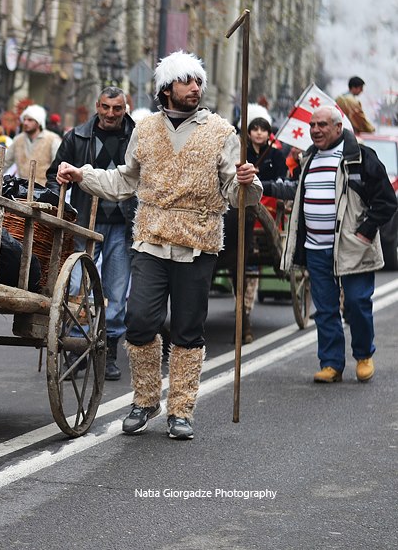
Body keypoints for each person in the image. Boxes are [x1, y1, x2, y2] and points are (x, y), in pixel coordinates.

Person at [55, 50, 262, 440]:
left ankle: (181, 410)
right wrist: (82, 174)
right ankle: (146, 400)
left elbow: (236, 194)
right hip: (150, 240)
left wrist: (249, 182)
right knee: (139, 322)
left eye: (198, 81)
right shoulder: (145, 129)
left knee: (187, 330)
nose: (196, 88)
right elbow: (123, 181)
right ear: (167, 89)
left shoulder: (221, 132)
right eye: (187, 81)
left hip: (198, 244)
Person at [261, 106, 396, 384]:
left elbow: (386, 201)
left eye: (322, 124)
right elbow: (294, 189)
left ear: (337, 128)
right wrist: (260, 185)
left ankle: (363, 355)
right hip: (315, 248)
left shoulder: (360, 157)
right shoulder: (308, 158)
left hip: (352, 248)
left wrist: (366, 232)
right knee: (325, 309)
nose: (315, 130)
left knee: (358, 303)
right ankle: (331, 363)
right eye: (312, 125)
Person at [46, 86, 137, 381]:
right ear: (97, 106)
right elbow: (53, 176)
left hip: (122, 225)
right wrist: (59, 181)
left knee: (115, 292)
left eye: (118, 108)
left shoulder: (138, 137)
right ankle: (76, 345)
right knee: (75, 287)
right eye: (106, 107)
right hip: (85, 223)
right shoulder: (76, 137)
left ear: (126, 108)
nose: (111, 114)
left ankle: (107, 350)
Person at [222, 105, 289, 343]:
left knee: (255, 209)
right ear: (248, 132)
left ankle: (275, 250)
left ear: (269, 133)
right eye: (255, 129)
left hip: (266, 202)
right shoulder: (240, 151)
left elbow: (283, 179)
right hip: (239, 199)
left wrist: (260, 180)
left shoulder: (277, 155)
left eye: (263, 129)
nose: (259, 133)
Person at [7, 104, 61, 185]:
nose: (25, 122)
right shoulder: (18, 140)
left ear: (39, 122)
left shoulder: (52, 139)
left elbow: (58, 168)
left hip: (44, 191)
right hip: (21, 191)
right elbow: (5, 162)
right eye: (24, 119)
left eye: (30, 120)